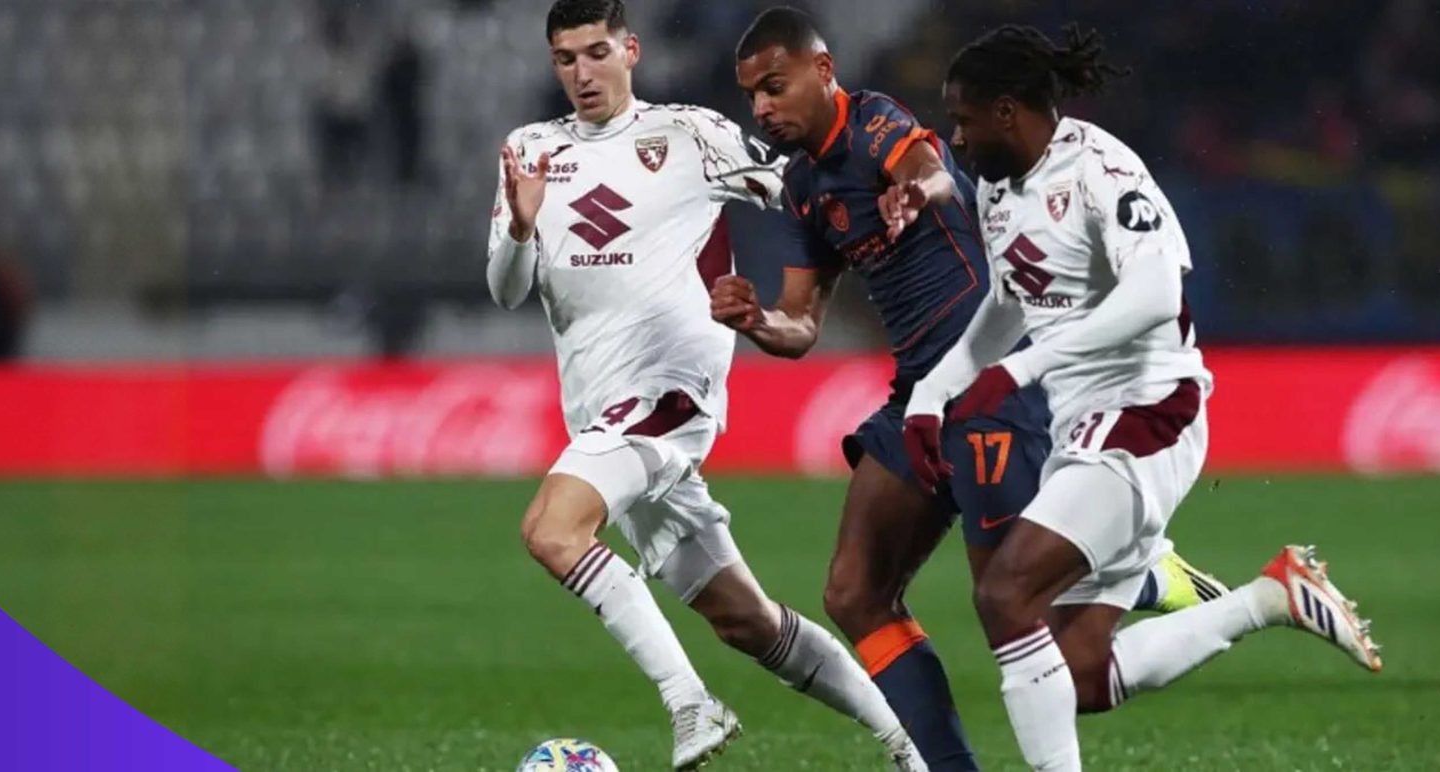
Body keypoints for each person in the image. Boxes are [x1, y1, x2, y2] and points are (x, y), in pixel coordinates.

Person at [713, 9, 1229, 771]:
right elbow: (801, 324)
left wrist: (916, 192)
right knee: (855, 592)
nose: (761, 107)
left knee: (1015, 609)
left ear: (823, 73)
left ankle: (1146, 573)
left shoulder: (874, 123)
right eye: (752, 94)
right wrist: (758, 320)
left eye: (774, 86)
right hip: (922, 391)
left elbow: (929, 171)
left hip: (993, 396)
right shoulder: (801, 188)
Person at [909, 25, 1386, 770]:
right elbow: (1008, 301)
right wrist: (932, 394)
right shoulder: (998, 188)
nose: (956, 139)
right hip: (1081, 425)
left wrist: (1025, 369)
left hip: (1148, 410)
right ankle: (1269, 598)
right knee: (1079, 674)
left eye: (964, 120)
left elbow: (1157, 292)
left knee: (1005, 594)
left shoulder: (1103, 170)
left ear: (1008, 111)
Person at [486, 3, 924, 769]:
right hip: (600, 410)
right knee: (748, 621)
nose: (582, 73)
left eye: (596, 53)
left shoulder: (690, 134)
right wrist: (521, 227)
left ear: (630, 50)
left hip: (670, 386)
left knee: (552, 531)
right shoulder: (531, 150)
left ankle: (691, 703)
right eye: (566, 59)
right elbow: (506, 290)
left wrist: (885, 200)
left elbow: (798, 188)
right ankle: (912, 746)